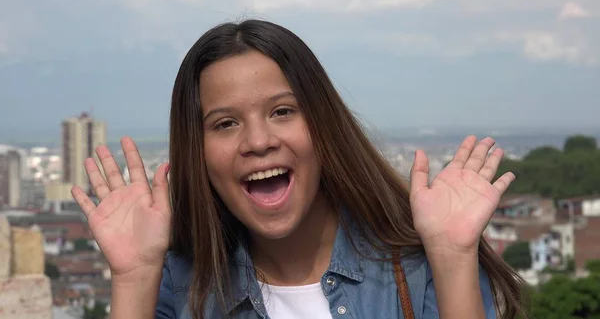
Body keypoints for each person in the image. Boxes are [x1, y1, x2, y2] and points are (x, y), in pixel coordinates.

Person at [71, 19, 528, 319]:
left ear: (323, 124)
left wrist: (452, 257)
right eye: (226, 123)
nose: (258, 141)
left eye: (283, 111)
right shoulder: (180, 285)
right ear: (199, 152)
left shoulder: (420, 265)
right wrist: (132, 278)